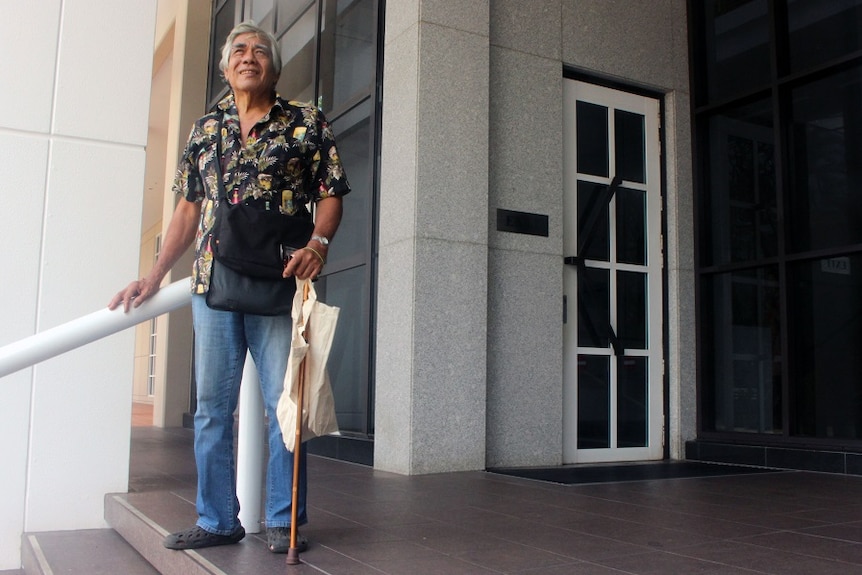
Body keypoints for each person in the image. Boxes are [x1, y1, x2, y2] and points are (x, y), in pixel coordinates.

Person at [109, 21, 350, 553]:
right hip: (211, 283)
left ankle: (282, 521)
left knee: (282, 407)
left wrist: (318, 244)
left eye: (260, 51)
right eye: (238, 50)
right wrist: (153, 276)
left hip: (280, 282)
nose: (248, 57)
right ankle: (218, 521)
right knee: (211, 410)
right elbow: (188, 209)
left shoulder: (305, 123)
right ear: (224, 68)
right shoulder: (204, 129)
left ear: (275, 67)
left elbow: (331, 193)